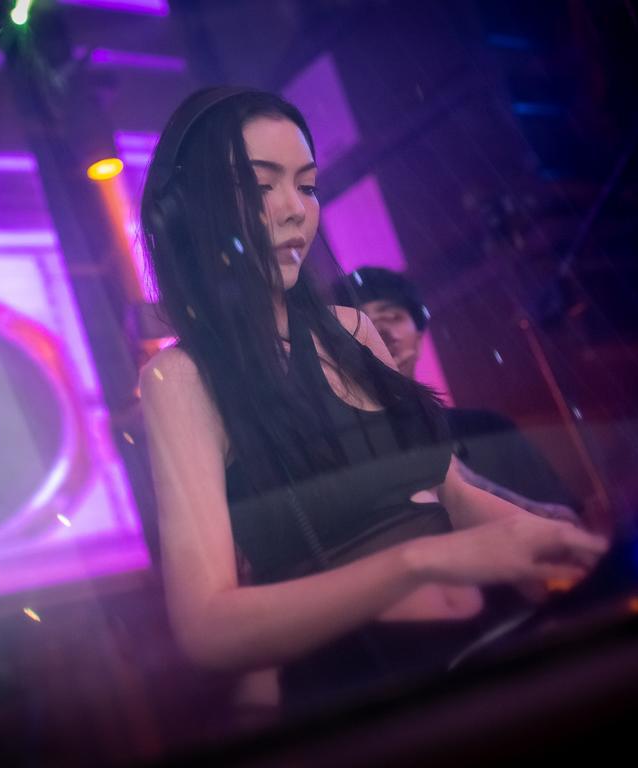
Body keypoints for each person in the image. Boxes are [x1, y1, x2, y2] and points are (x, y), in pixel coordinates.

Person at [137, 86, 607, 718]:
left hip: (491, 635)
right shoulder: (181, 379)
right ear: (190, 213)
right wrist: (420, 562)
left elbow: (453, 492)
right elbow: (208, 629)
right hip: (371, 690)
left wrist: (560, 545)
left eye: (307, 186)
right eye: (261, 186)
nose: (295, 210)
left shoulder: (354, 331)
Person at [332, 267, 582, 524]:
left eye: (393, 317)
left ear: (419, 336)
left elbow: (567, 523)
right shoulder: (347, 451)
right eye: (362, 322)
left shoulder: (488, 428)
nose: (381, 331)